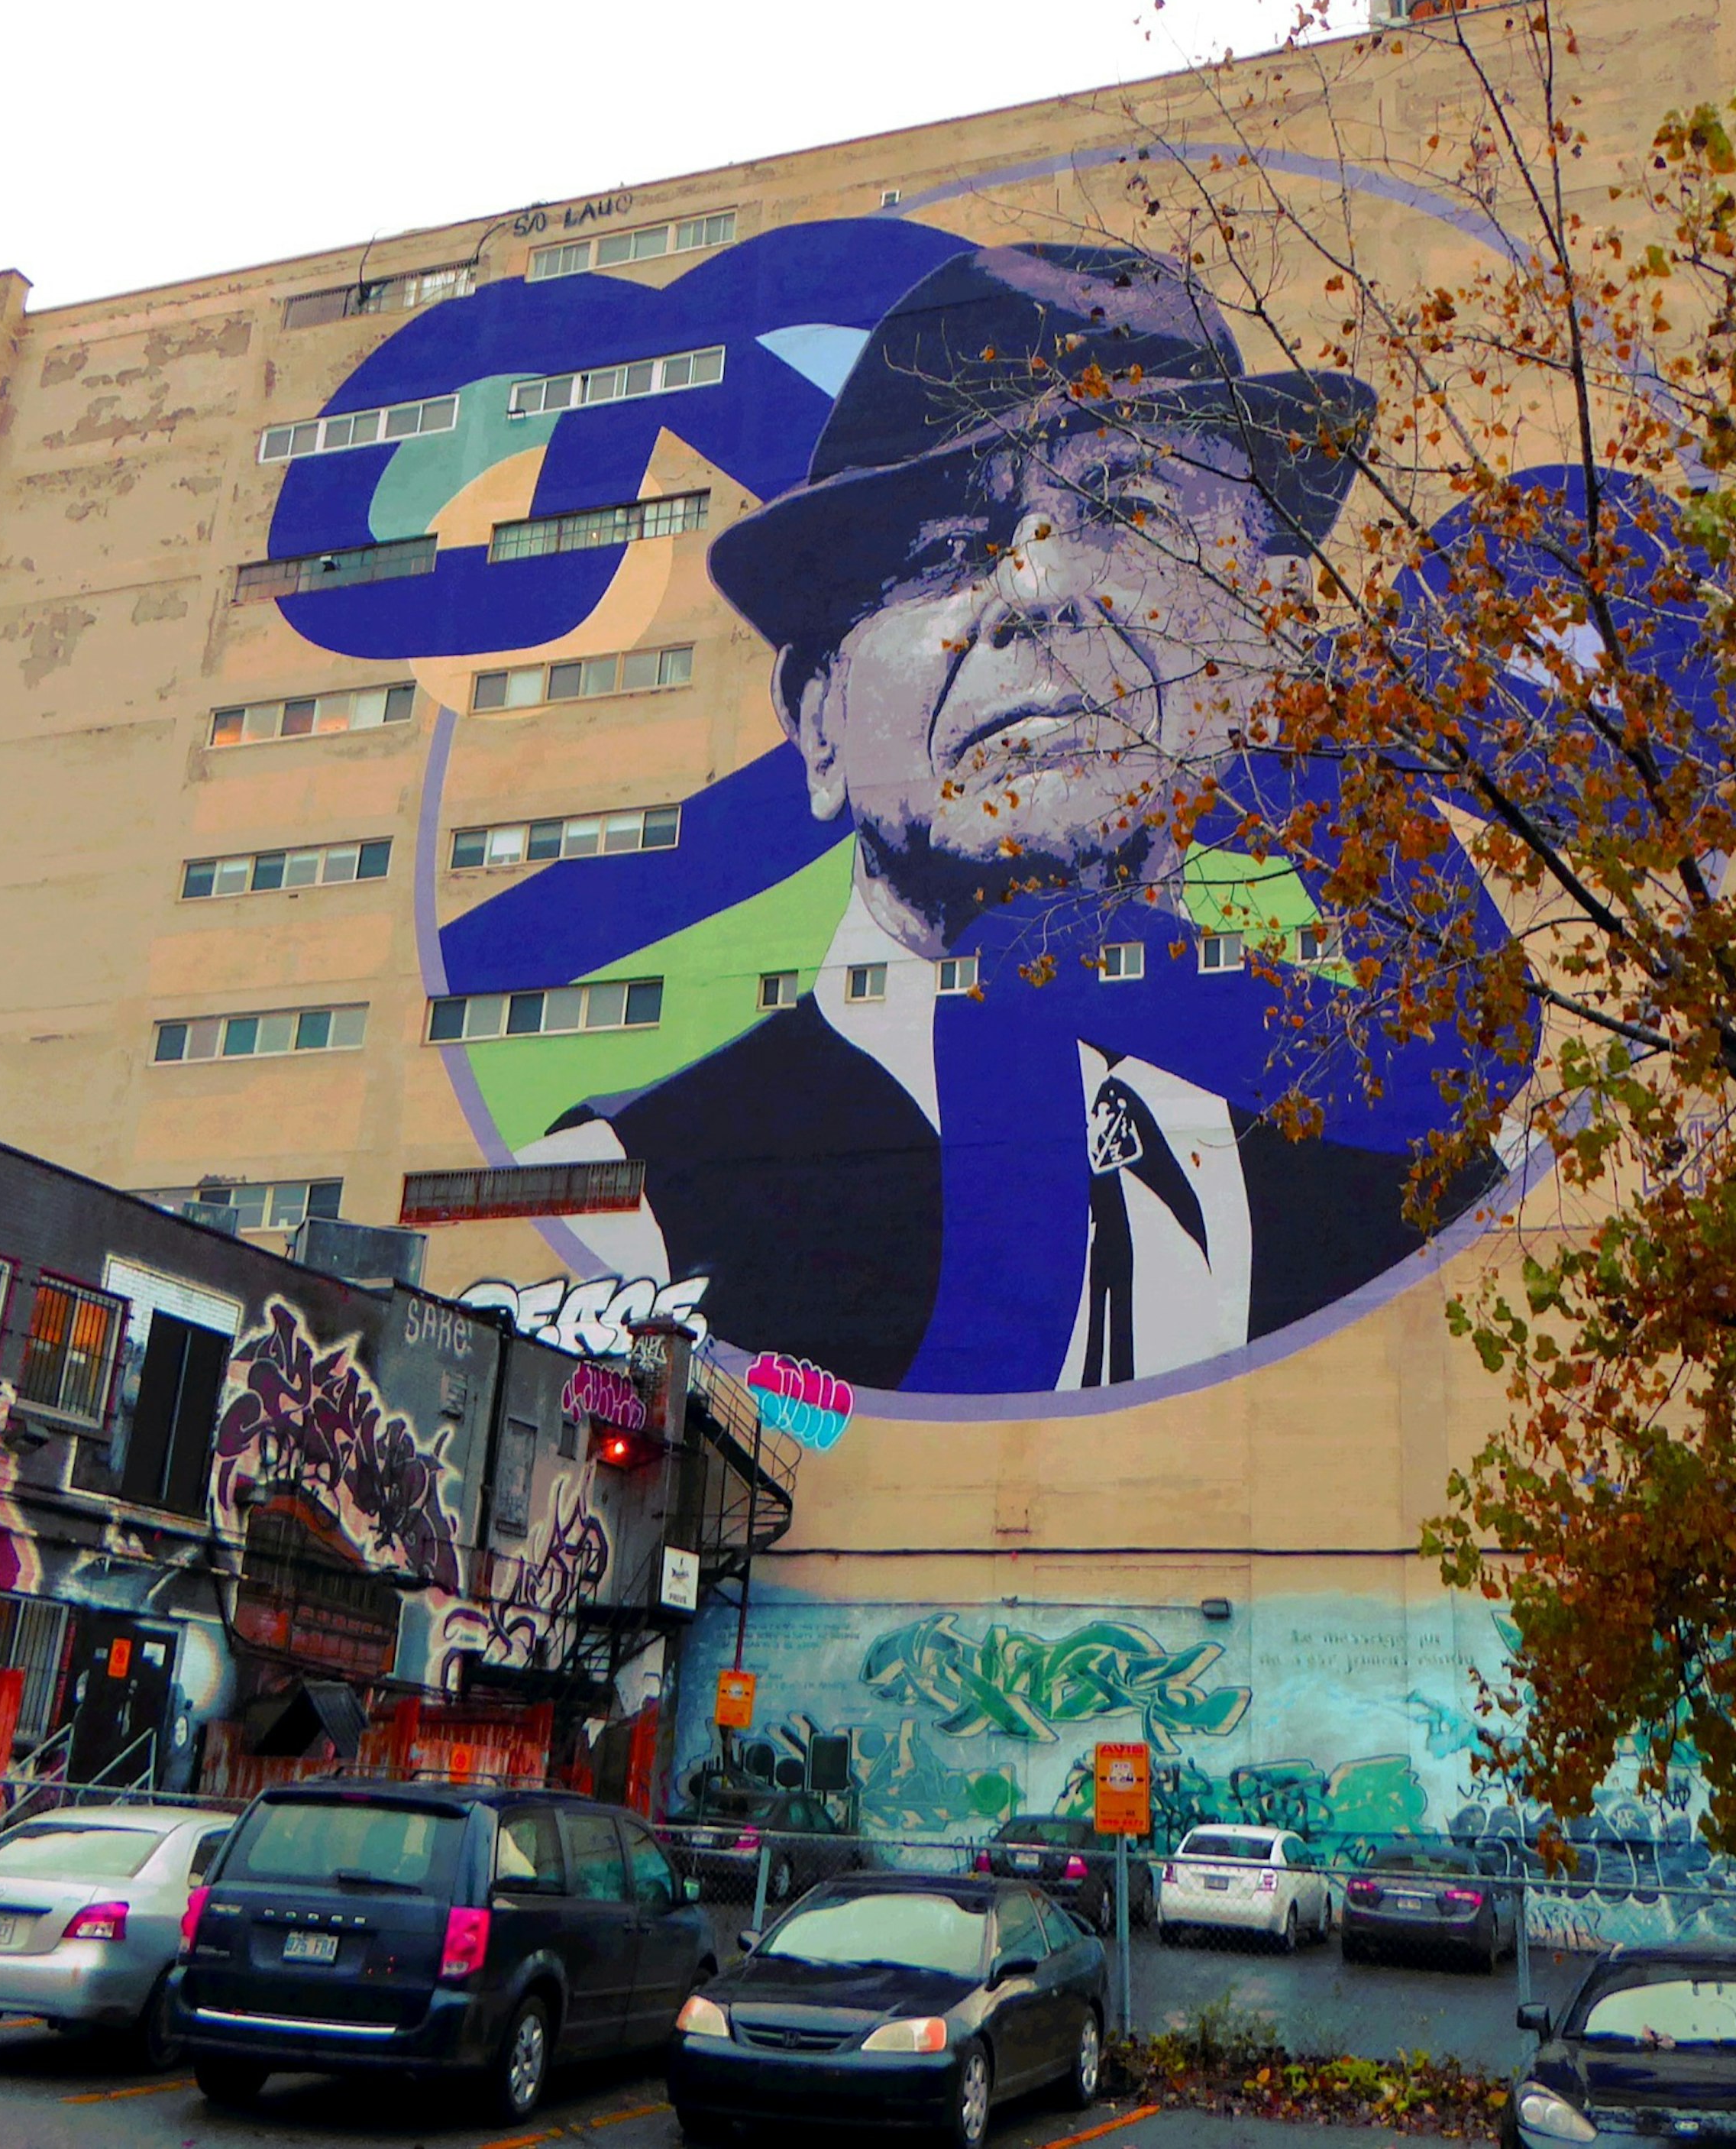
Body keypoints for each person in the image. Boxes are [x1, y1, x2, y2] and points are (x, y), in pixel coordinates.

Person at [536, 244, 1502, 1396]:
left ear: (1251, 653)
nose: (1042, 591)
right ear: (818, 720)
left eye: (1129, 512)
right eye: (944, 549)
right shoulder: (634, 1203)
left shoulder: (1415, 1180)